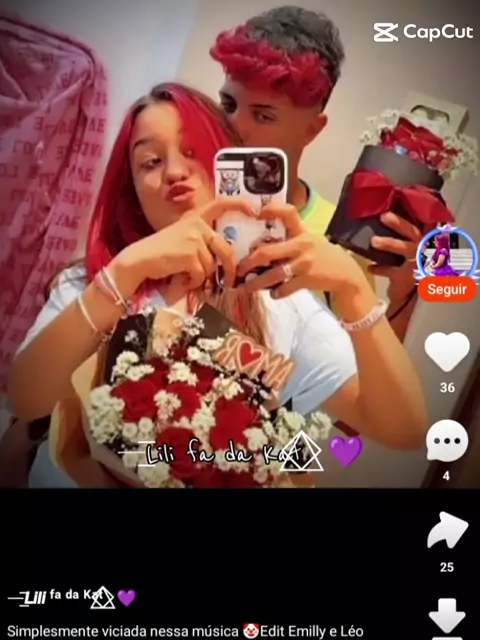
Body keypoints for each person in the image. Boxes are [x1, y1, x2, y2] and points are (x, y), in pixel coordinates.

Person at [7, 83, 427, 487]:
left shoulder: (279, 301)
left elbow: (404, 429)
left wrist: (355, 292)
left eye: (193, 151)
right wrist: (127, 270)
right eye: (150, 162)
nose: (175, 172)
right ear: (131, 189)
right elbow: (26, 399)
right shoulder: (95, 281)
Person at [210, 6, 424, 340]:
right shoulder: (186, 198)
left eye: (263, 115)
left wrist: (405, 298)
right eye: (228, 105)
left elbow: (360, 370)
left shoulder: (337, 240)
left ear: (311, 130)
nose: (233, 126)